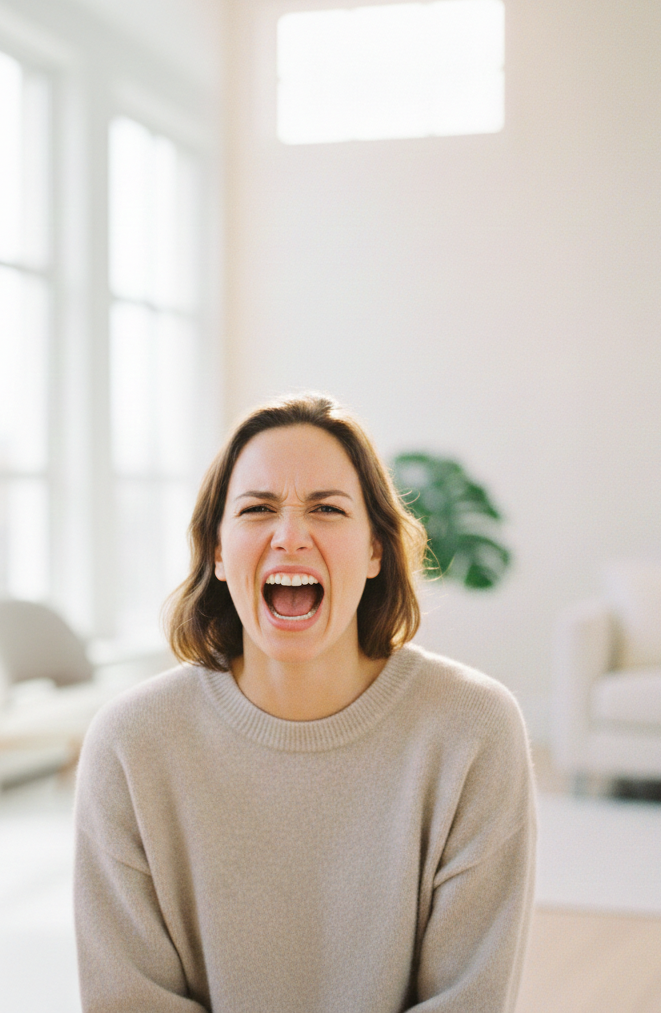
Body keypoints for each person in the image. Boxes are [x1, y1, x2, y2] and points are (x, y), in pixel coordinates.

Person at [73, 394, 536, 1012]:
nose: (290, 537)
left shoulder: (475, 730)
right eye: (258, 508)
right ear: (217, 549)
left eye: (327, 508)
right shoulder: (131, 744)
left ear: (375, 549)